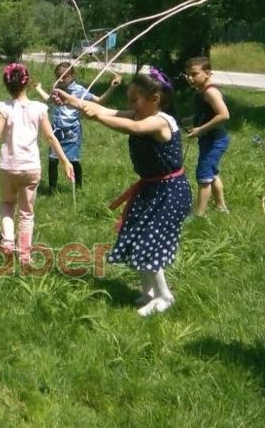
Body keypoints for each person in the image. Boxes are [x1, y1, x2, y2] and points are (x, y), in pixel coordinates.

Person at [56, 68, 191, 317]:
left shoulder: (159, 121)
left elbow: (130, 127)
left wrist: (96, 117)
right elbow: (108, 111)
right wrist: (71, 100)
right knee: (136, 236)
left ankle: (165, 296)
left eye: (134, 100)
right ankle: (149, 292)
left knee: (149, 243)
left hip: (169, 191)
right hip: (152, 188)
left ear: (155, 99)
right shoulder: (142, 113)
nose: (130, 105)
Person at [0, 63, 74, 265]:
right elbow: (51, 138)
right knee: (27, 213)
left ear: (6, 84)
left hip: (8, 166)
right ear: (27, 83)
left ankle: (7, 242)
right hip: (31, 168)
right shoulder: (39, 108)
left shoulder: (4, 109)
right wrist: (65, 161)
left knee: (7, 204)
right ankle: (24, 255)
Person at [35, 63, 121, 192]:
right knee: (53, 160)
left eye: (64, 76)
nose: (61, 79)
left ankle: (78, 188)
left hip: (72, 132)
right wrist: (39, 88)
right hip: (56, 131)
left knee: (73, 161)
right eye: (58, 77)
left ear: (72, 75)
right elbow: (49, 100)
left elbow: (99, 101)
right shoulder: (56, 88)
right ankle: (52, 190)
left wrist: (112, 87)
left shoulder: (79, 90)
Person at [183, 56, 230, 216]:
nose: (190, 78)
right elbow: (206, 113)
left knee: (203, 176)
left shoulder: (210, 92)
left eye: (194, 74)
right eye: (188, 74)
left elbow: (224, 115)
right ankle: (221, 207)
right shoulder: (202, 90)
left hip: (215, 140)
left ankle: (199, 215)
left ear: (207, 73)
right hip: (211, 139)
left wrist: (200, 130)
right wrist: (190, 119)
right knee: (212, 173)